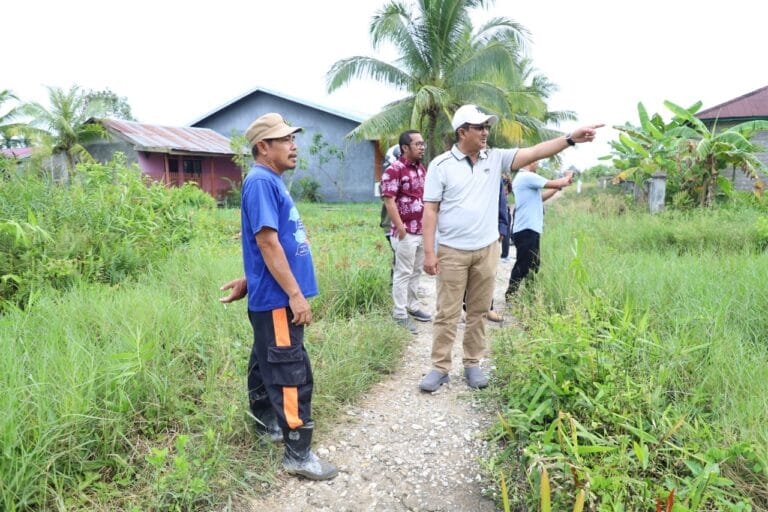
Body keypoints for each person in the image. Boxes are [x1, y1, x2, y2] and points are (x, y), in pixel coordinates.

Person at [419, 104, 602, 392]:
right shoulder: (440, 165)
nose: (485, 132)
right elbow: (430, 210)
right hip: (452, 250)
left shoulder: (495, 158)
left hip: (487, 249)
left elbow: (535, 152)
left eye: (487, 127)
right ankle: (440, 367)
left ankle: (472, 363)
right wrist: (429, 253)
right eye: (479, 127)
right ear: (462, 132)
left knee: (479, 310)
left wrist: (570, 138)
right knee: (447, 312)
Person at [219, 112, 337, 480]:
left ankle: (267, 424)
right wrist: (295, 295)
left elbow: (270, 245)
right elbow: (267, 242)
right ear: (263, 147)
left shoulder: (268, 181)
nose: (293, 146)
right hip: (279, 301)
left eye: (293, 138)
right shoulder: (260, 182)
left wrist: (250, 279)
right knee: (290, 373)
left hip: (270, 295)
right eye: (285, 140)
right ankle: (298, 454)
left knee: (265, 362)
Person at [381, 130, 432, 333]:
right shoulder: (394, 170)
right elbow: (389, 200)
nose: (422, 147)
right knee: (403, 272)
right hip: (406, 233)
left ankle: (413, 306)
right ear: (405, 147)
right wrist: (401, 228)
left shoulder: (421, 169)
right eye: (418, 144)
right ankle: (400, 313)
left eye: (423, 144)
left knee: (416, 271)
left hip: (421, 230)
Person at [505, 160, 571, 297]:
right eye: (537, 162)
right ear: (531, 162)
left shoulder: (525, 178)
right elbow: (556, 182)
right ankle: (511, 295)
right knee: (523, 265)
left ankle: (530, 295)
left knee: (533, 265)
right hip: (526, 229)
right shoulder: (527, 176)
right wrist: (567, 176)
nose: (538, 165)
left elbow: (540, 197)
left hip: (529, 229)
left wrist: (558, 187)